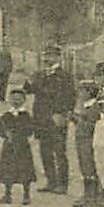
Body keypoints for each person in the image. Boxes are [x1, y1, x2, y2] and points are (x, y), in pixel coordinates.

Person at [33, 59, 71, 194]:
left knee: (59, 151)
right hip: (41, 118)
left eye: (51, 55)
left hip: (56, 117)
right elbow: (30, 90)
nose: (47, 59)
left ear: (58, 57)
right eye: (46, 55)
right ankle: (51, 181)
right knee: (45, 151)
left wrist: (62, 113)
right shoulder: (40, 74)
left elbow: (70, 96)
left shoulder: (64, 76)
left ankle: (62, 184)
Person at [0, 86, 38, 204]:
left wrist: (19, 133)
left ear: (24, 100)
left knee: (24, 170)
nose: (16, 101)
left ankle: (26, 195)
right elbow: (0, 128)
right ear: (9, 100)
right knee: (8, 169)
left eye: (19, 99)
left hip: (22, 146)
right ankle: (7, 194)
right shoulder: (6, 115)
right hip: (9, 146)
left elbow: (30, 130)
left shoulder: (26, 115)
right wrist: (5, 134)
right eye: (13, 99)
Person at [70, 78, 101, 207]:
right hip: (82, 140)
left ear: (89, 92)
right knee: (84, 168)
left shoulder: (95, 107)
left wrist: (79, 120)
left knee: (90, 169)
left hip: (89, 141)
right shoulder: (85, 105)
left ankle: (93, 197)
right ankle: (87, 196)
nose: (79, 94)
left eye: (82, 91)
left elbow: (93, 125)